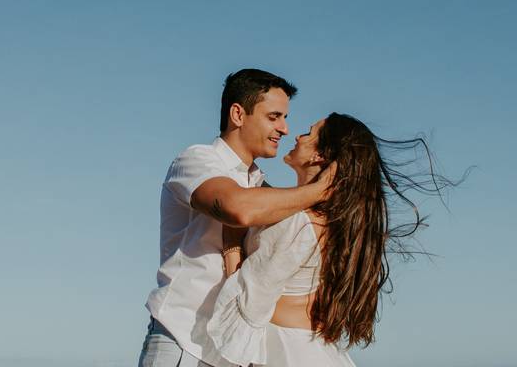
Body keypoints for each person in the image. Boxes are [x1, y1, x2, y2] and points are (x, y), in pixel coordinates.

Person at [208, 112, 459, 367]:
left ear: (320, 155)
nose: (296, 136)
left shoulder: (298, 222)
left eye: (309, 133)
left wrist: (231, 241)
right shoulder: (331, 221)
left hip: (284, 351)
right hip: (311, 349)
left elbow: (251, 301)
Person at [138, 68, 336, 367]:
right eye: (274, 117)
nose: (284, 129)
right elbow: (237, 208)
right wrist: (321, 189)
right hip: (183, 342)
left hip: (231, 353)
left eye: (284, 117)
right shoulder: (197, 160)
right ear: (238, 115)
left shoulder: (259, 185)